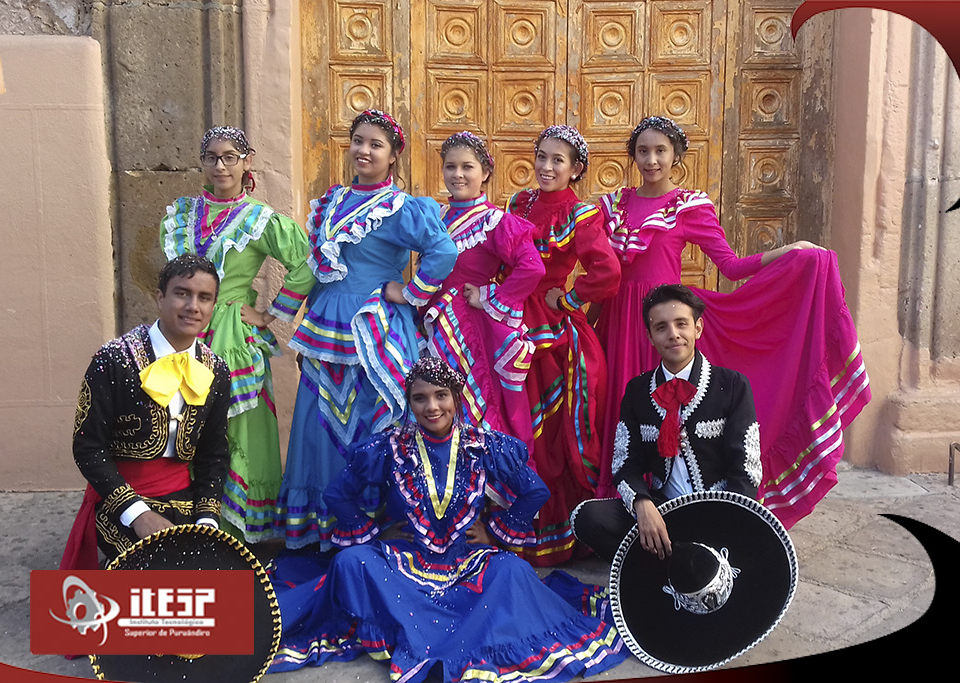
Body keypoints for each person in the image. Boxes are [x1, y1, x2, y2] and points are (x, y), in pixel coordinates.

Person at [266, 357, 627, 682]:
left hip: (466, 561)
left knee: (512, 571)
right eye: (420, 398)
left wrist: (494, 532)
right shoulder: (390, 446)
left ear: (456, 398)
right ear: (409, 403)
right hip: (405, 561)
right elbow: (337, 494)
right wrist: (376, 533)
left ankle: (436, 631)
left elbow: (535, 491)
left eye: (441, 396)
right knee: (349, 562)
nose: (432, 406)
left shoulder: (484, 445)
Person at [594, 115, 870, 527]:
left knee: (667, 410)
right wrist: (582, 319)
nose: (651, 160)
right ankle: (627, 507)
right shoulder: (613, 206)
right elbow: (602, 272)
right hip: (619, 321)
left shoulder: (687, 207)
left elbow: (731, 266)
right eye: (643, 151)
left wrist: (787, 252)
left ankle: (677, 503)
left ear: (676, 156)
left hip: (664, 319)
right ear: (632, 155)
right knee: (623, 410)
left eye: (660, 151)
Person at [276, 110, 458, 550]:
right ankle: (329, 524)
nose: (364, 150)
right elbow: (317, 268)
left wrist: (410, 292)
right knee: (319, 422)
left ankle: (382, 523)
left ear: (393, 156)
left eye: (376, 144)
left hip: (375, 328)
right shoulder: (331, 202)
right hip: (327, 325)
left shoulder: (401, 206)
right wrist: (284, 317)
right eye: (358, 140)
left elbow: (443, 251)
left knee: (373, 422)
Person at [160, 126, 314, 543]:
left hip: (232, 333)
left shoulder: (260, 219)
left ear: (248, 161)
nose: (220, 166)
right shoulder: (182, 215)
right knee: (182, 424)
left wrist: (269, 314)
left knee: (237, 429)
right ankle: (190, 516)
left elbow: (306, 262)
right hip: (184, 332)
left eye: (230, 157)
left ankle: (234, 528)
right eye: (211, 157)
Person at [61, 255, 232, 570]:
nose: (193, 306)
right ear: (160, 297)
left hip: (184, 500)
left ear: (213, 306)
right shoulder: (113, 360)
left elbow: (214, 455)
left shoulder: (216, 370)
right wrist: (137, 514)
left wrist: (207, 519)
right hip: (118, 501)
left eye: (204, 297)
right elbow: (88, 448)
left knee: (216, 576)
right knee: (159, 571)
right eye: (182, 293)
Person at [572, 284, 761, 560]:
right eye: (661, 327)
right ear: (650, 337)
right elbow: (625, 465)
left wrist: (724, 519)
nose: (673, 334)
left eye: (681, 324)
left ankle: (666, 563)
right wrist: (642, 504)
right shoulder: (637, 391)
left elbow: (746, 469)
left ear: (698, 328)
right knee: (587, 517)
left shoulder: (732, 385)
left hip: (719, 510)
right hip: (664, 511)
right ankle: (674, 559)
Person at [504, 125, 620, 566]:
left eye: (558, 160)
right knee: (513, 421)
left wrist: (568, 299)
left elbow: (607, 272)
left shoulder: (579, 214)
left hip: (551, 332)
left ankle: (557, 531)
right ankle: (512, 521)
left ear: (576, 169)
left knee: (550, 433)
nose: (547, 167)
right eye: (542, 156)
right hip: (510, 319)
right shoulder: (519, 203)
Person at [423, 131, 544, 454]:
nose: (458, 175)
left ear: (485, 172)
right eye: (450, 167)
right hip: (435, 324)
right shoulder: (435, 217)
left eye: (467, 167)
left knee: (474, 402)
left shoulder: (495, 221)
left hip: (471, 330)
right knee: (437, 406)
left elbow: (532, 267)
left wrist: (491, 297)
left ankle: (486, 479)